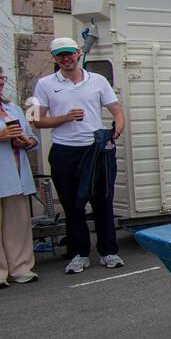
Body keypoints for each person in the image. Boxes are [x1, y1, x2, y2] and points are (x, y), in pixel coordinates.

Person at [31, 37, 126, 274]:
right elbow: (35, 119)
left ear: (78, 53)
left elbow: (116, 109)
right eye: (60, 55)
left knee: (103, 200)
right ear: (54, 58)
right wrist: (64, 117)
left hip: (95, 148)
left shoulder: (98, 80)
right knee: (73, 205)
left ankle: (109, 251)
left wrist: (116, 131)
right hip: (65, 150)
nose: (65, 59)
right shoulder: (44, 84)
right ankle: (79, 254)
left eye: (69, 54)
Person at [0, 63, 40, 288]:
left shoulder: (14, 109)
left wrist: (26, 141)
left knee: (18, 225)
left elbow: (32, 140)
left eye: (2, 78)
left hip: (17, 176)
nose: (0, 82)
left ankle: (21, 268)